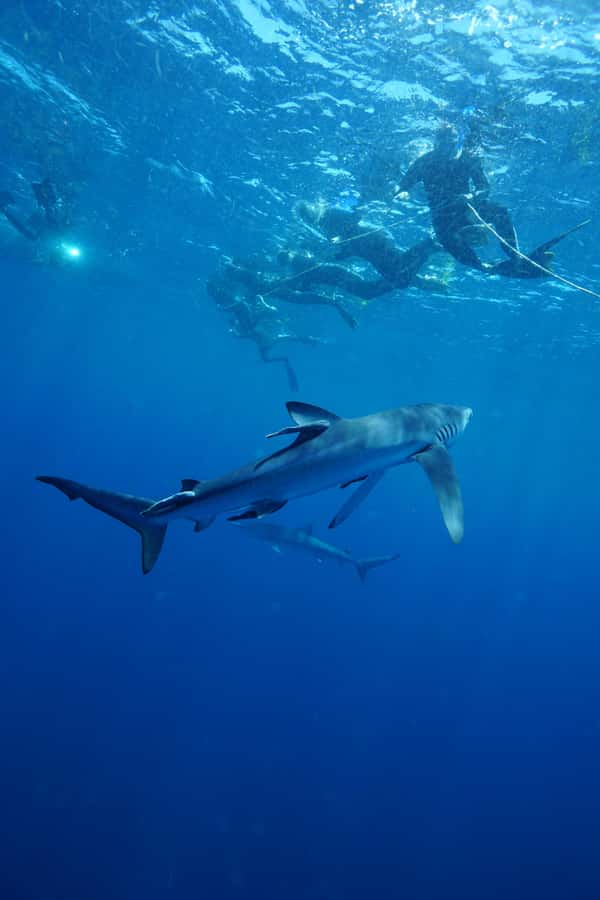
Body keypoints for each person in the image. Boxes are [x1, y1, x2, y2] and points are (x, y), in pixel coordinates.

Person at [395, 122, 518, 271]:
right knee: (446, 239)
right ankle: (482, 266)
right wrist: (403, 192)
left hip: (467, 207)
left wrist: (472, 196)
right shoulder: (424, 162)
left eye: (451, 142)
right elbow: (404, 185)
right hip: (441, 213)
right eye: (443, 142)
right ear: (436, 142)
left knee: (500, 211)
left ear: (456, 141)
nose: (447, 147)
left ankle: (514, 254)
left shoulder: (468, 158)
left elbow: (484, 188)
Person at [295, 200, 445, 293]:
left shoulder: (331, 212)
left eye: (307, 214)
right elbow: (348, 246)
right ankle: (427, 266)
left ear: (312, 208)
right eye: (305, 219)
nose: (308, 220)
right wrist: (339, 256)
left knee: (398, 272)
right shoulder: (325, 228)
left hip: (375, 241)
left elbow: (356, 216)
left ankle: (429, 245)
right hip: (368, 252)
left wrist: (342, 237)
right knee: (398, 278)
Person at [206, 276, 325, 393]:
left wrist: (233, 327)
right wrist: (237, 332)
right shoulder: (241, 324)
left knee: (281, 342)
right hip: (266, 341)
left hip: (265, 341)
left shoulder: (243, 319)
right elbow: (245, 329)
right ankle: (302, 347)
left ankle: (303, 346)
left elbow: (243, 316)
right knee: (283, 340)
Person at [0, 178, 69, 241]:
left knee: (32, 235)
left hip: (36, 218)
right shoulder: (49, 205)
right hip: (36, 215)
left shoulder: (49, 209)